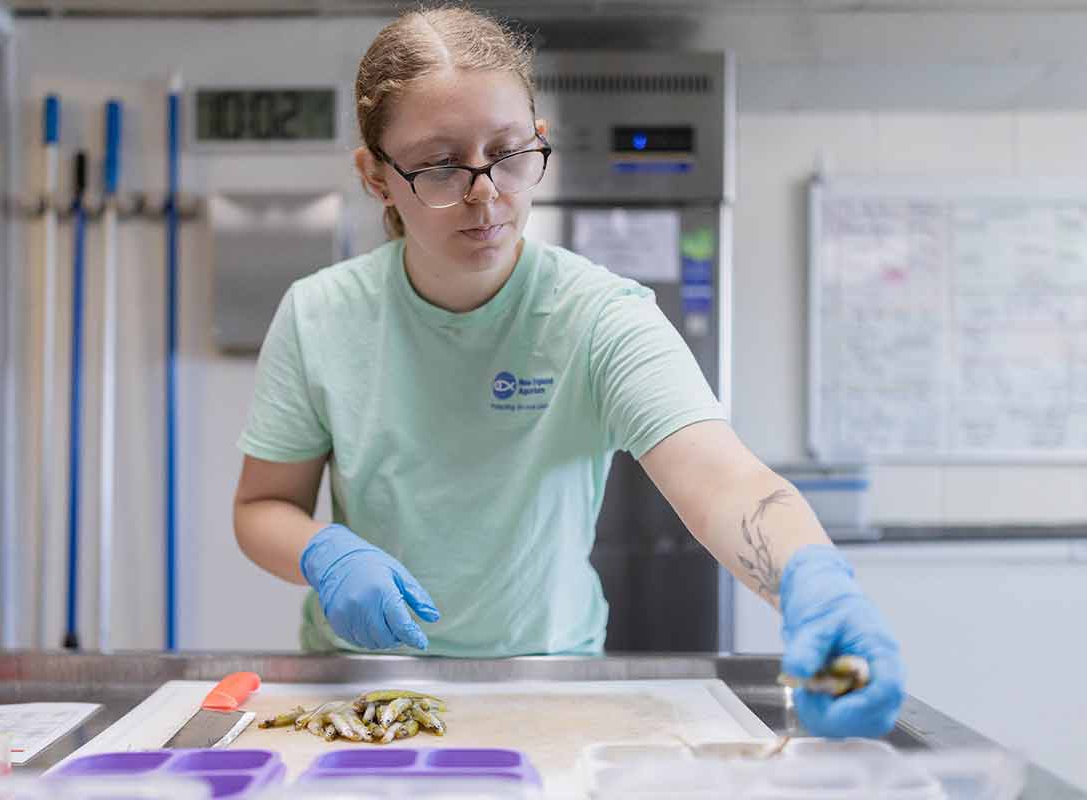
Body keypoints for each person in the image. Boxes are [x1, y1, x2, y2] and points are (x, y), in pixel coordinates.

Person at [232, 4, 904, 739]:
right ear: (375, 176)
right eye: (440, 165)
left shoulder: (598, 316)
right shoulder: (320, 315)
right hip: (364, 687)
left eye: (509, 154)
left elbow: (723, 479)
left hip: (549, 682)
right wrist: (321, 551)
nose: (486, 194)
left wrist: (814, 580)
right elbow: (262, 506)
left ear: (538, 143)